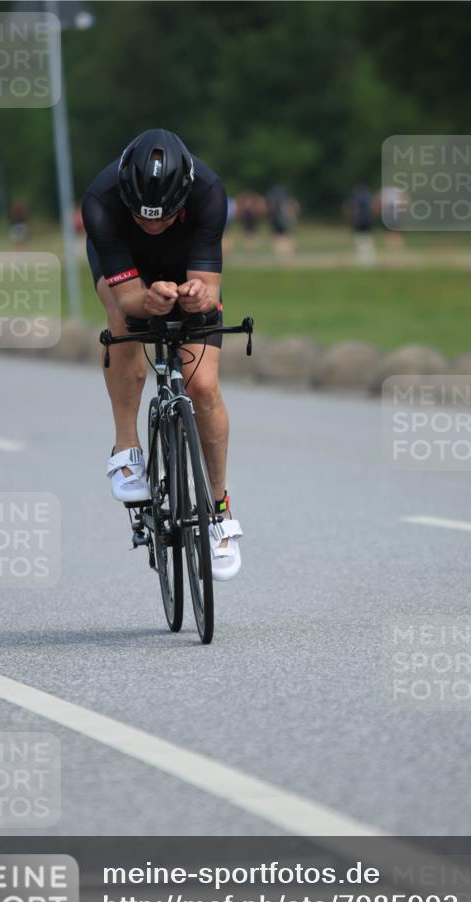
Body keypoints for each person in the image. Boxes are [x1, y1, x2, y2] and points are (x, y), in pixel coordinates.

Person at [82, 128, 243, 581]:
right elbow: (131, 299)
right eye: (143, 215)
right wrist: (145, 299)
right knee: (121, 320)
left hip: (185, 259)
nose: (153, 223)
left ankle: (219, 509)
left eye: (163, 215)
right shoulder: (101, 200)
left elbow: (209, 289)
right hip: (126, 268)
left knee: (203, 384)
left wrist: (197, 294)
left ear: (183, 197)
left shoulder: (209, 192)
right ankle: (126, 448)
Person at [342, 183, 376, 265]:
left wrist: (349, 218)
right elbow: (373, 207)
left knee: (359, 238)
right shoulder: (368, 196)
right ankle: (369, 257)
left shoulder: (355, 196)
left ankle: (361, 256)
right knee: (367, 238)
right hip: (368, 220)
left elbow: (350, 207)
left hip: (358, 220)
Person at [266, 185, 300, 256]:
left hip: (280, 220)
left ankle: (284, 252)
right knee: (285, 236)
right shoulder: (286, 198)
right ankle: (286, 252)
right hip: (281, 220)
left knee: (281, 236)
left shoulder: (274, 198)